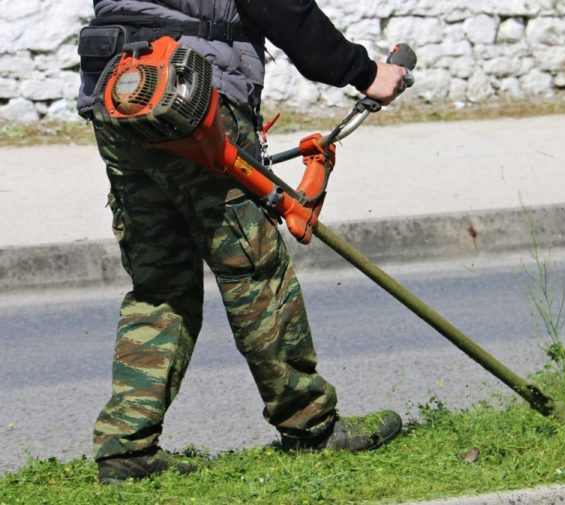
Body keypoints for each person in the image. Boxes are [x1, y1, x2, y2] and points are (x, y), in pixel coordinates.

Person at [76, 0, 408, 485]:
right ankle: (310, 426)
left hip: (118, 91)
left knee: (159, 282)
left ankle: (127, 446)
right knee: (254, 272)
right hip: (190, 94)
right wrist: (363, 70)